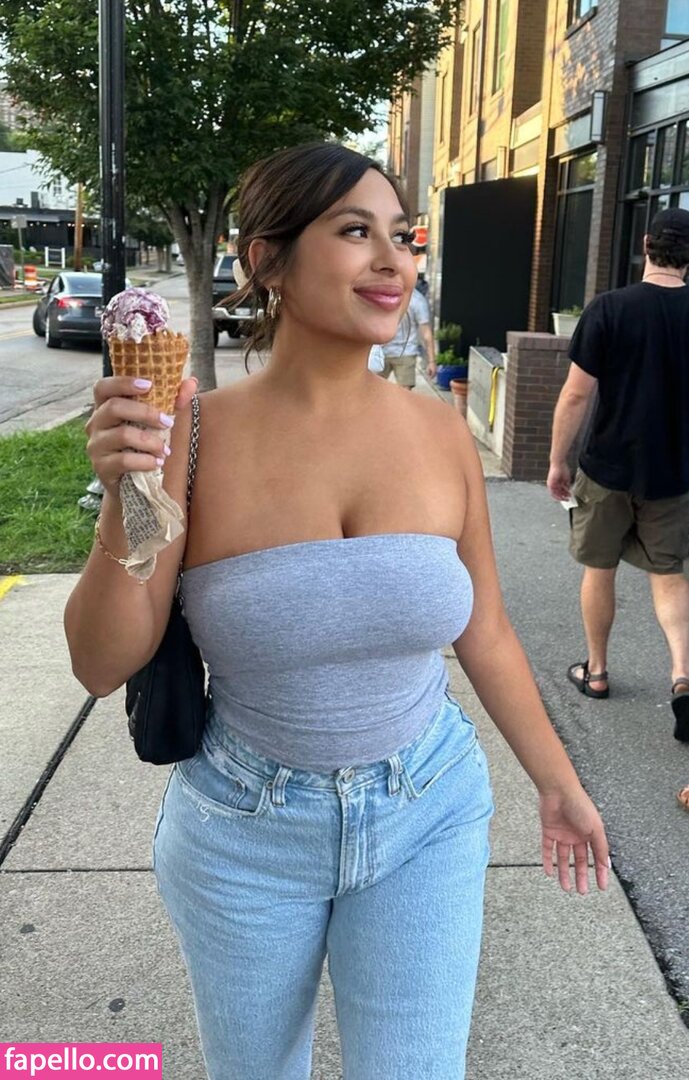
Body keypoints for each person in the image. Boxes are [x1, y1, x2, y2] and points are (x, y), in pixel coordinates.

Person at [65, 142, 609, 1080]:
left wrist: (555, 784)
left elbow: (484, 628)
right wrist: (127, 492)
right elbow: (98, 662)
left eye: (402, 236)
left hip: (426, 811)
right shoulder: (188, 434)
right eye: (355, 232)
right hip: (243, 829)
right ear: (265, 259)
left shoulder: (439, 430)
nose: (393, 261)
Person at [547, 207, 689, 746]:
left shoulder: (609, 309)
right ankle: (683, 676)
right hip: (673, 472)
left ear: (646, 244)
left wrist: (558, 461)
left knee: (599, 568)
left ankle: (597, 671)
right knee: (668, 575)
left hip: (607, 466)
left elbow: (576, 394)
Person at [378, 275, 436, 388]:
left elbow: (426, 333)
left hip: (406, 352)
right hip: (379, 351)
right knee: (369, 392)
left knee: (404, 393)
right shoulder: (379, 294)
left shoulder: (417, 300)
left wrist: (432, 361)